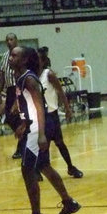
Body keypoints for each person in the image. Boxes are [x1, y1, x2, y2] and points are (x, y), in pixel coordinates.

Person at [9, 46, 81, 214]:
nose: (10, 57)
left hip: (38, 128)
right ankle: (68, 201)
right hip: (33, 126)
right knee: (43, 165)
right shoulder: (21, 78)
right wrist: (23, 123)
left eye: (15, 55)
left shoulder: (30, 80)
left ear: (24, 60)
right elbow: (31, 106)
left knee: (28, 170)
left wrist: (40, 134)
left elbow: (40, 107)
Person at [38, 47, 83, 178]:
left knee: (59, 142)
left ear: (43, 61)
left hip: (52, 114)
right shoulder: (32, 75)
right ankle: (40, 170)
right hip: (40, 116)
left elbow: (61, 92)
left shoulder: (49, 74)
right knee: (42, 145)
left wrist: (68, 109)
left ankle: (70, 167)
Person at [0, 33, 24, 158]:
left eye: (11, 39)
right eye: (7, 40)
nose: (9, 42)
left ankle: (21, 146)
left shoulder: (21, 54)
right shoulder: (4, 56)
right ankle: (24, 137)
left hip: (20, 88)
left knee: (18, 117)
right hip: (9, 89)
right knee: (9, 118)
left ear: (16, 40)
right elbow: (2, 75)